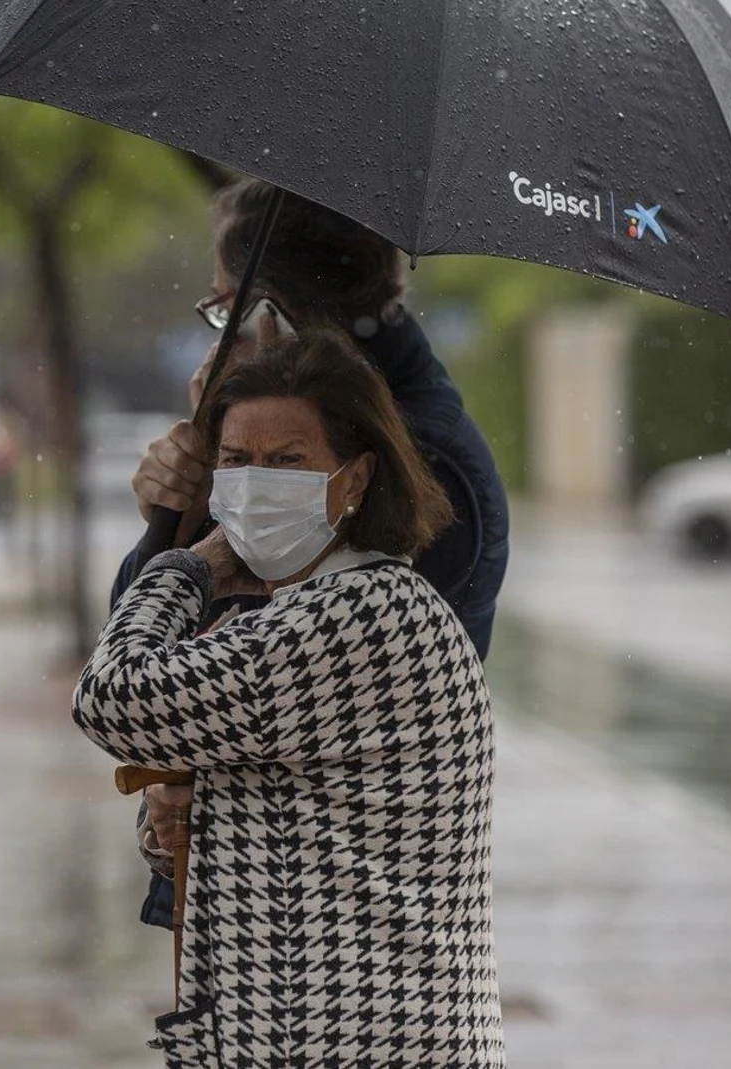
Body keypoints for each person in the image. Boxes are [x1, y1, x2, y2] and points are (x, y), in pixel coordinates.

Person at [74, 331, 504, 1065]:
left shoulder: (360, 615)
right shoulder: (303, 611)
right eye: (235, 460)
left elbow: (114, 699)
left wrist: (190, 564)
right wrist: (180, 823)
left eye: (287, 461)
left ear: (358, 478)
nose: (253, 482)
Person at [114, 180, 510, 929]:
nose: (217, 331)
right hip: (272, 904)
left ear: (272, 313)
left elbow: (155, 691)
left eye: (223, 307)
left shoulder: (411, 465)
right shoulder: (301, 436)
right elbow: (159, 668)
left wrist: (192, 526)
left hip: (341, 920)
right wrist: (176, 510)